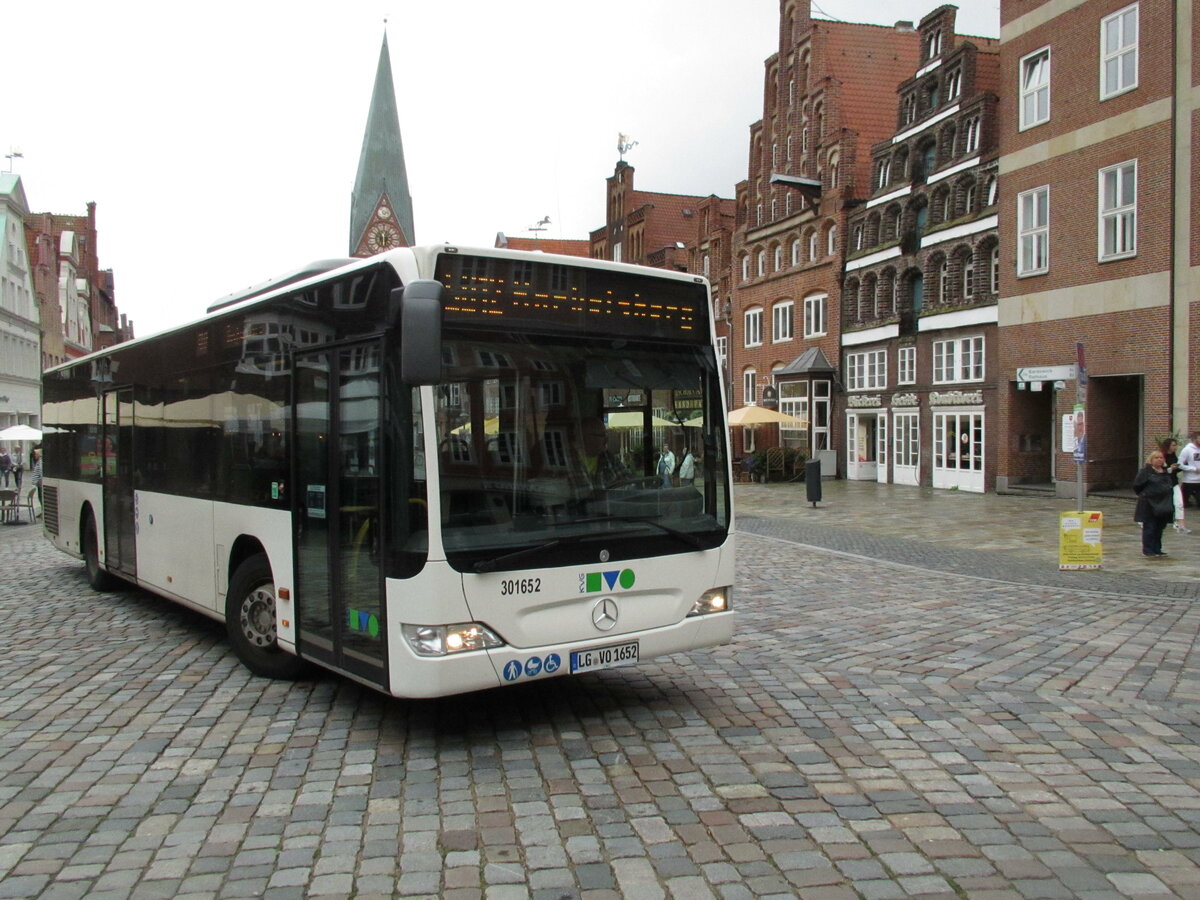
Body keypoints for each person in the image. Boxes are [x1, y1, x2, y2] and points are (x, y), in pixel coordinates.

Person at [1134, 448, 1176, 557]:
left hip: (1163, 503)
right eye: (1156, 458)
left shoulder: (1165, 471)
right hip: (1149, 503)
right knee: (1150, 527)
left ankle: (1157, 548)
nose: (1159, 460)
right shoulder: (1146, 471)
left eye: (1161, 458)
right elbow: (1137, 486)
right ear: (1151, 459)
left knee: (1159, 527)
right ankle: (1148, 550)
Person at [1162, 438, 1192, 533]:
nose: (1175, 447)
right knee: (1161, 503)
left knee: (1179, 503)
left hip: (1174, 482)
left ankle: (1181, 525)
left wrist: (1180, 466)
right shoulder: (1162, 456)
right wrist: (1171, 468)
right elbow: (1162, 471)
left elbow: (1176, 470)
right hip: (1163, 483)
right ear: (1168, 446)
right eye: (1173, 445)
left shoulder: (1174, 456)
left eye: (1176, 445)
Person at [1178, 430, 1200, 510]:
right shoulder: (1187, 450)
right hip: (1189, 481)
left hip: (1199, 481)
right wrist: (1194, 469)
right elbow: (1179, 464)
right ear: (1195, 439)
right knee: (1183, 504)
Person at [30, 447, 42, 516]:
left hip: (40, 483)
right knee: (40, 497)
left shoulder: (40, 462)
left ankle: (43, 512)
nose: (35, 456)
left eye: (36, 454)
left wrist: (40, 480)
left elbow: (41, 472)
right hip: (38, 483)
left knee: (41, 497)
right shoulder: (39, 461)